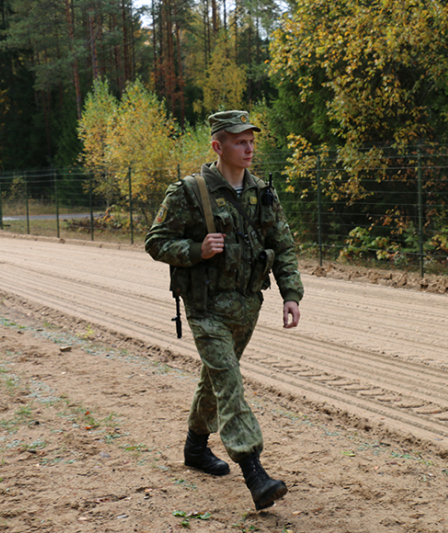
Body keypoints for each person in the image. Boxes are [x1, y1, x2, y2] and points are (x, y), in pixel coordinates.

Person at [145, 110, 303, 511]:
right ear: (218, 146)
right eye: (239, 142)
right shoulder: (188, 192)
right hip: (206, 307)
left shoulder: (262, 192)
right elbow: (155, 241)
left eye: (251, 141)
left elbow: (282, 245)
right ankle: (255, 472)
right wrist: (196, 250)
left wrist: (291, 294)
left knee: (214, 379)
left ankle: (195, 447)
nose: (248, 148)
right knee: (229, 382)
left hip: (247, 306)